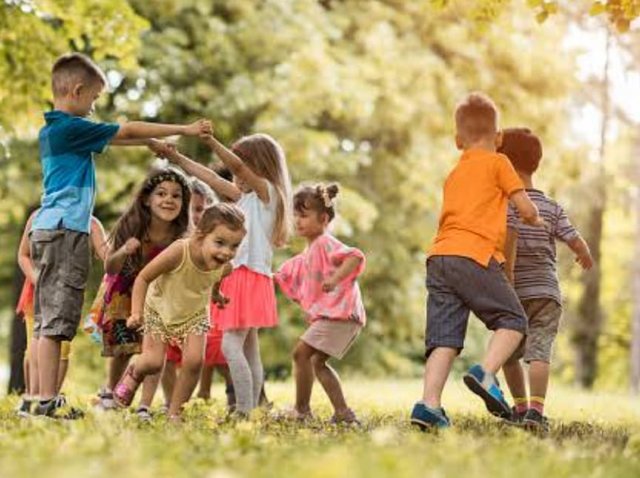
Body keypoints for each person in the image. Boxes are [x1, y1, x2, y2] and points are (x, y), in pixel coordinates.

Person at [29, 52, 211, 418]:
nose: (95, 108)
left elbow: (120, 139)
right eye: (94, 99)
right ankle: (45, 402)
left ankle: (39, 399)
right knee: (57, 322)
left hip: (50, 229)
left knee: (48, 320)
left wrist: (148, 145)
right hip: (66, 232)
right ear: (77, 91)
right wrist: (185, 130)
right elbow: (125, 130)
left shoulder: (54, 131)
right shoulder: (70, 127)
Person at [409, 92, 544, 430]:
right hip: (475, 255)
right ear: (499, 139)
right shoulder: (500, 162)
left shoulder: (454, 173)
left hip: (440, 257)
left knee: (444, 338)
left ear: (458, 141)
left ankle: (429, 406)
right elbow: (524, 206)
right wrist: (534, 217)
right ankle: (486, 373)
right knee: (514, 321)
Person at [165, 133, 291, 416]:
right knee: (249, 349)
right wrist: (176, 159)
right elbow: (211, 178)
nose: (235, 175)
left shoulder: (268, 193)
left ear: (259, 166)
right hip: (244, 277)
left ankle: (243, 411)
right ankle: (252, 409)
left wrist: (210, 141)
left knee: (230, 345)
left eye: (242, 166)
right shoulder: (244, 198)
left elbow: (237, 168)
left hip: (247, 276)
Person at [113, 203, 246, 421]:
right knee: (154, 362)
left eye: (234, 246)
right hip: (160, 309)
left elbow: (215, 277)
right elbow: (143, 278)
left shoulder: (226, 265)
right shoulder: (179, 251)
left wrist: (216, 294)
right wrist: (136, 313)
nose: (226, 252)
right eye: (220, 243)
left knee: (194, 361)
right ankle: (135, 370)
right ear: (201, 235)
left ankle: (175, 413)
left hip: (194, 314)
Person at [499, 127, 594, 432]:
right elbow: (574, 238)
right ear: (535, 163)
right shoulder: (551, 206)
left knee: (509, 355)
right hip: (547, 293)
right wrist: (584, 254)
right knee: (539, 352)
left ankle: (521, 407)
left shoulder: (506, 204)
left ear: (505, 164)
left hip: (514, 291)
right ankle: (536, 412)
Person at [94, 166, 192, 421]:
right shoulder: (133, 223)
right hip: (124, 292)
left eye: (176, 195)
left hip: (159, 297)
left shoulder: (182, 235)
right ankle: (111, 392)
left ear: (184, 202)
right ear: (147, 199)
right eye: (161, 194)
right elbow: (109, 266)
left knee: (153, 350)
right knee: (123, 348)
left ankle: (144, 406)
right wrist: (125, 250)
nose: (168, 200)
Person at [275, 183, 365, 424]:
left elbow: (355, 257)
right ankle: (343, 412)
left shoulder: (325, 242)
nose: (297, 221)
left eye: (303, 215)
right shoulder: (311, 250)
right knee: (316, 362)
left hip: (341, 315)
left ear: (323, 218)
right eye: (295, 215)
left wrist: (334, 279)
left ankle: (302, 411)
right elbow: (293, 272)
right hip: (339, 316)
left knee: (300, 354)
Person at [15, 212, 107, 416]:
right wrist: (39, 281)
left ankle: (50, 398)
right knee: (35, 344)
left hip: (67, 296)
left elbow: (107, 255)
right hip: (36, 294)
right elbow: (23, 255)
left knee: (62, 348)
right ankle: (33, 398)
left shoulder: (89, 223)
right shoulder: (38, 216)